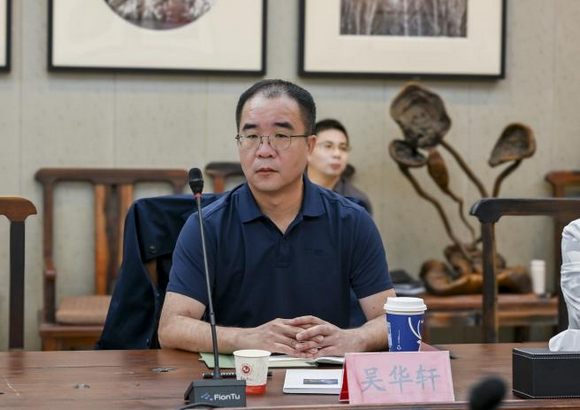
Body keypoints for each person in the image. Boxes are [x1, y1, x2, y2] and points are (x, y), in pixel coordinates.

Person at [158, 79, 395, 358]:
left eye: (281, 136)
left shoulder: (352, 221)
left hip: (323, 374)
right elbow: (171, 327)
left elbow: (390, 320)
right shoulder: (207, 225)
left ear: (309, 146)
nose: (264, 150)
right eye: (251, 136)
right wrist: (246, 338)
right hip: (241, 376)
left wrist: (355, 339)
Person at [307, 119, 373, 215]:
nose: (337, 154)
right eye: (328, 146)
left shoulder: (356, 202)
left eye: (343, 148)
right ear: (308, 148)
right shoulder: (288, 191)